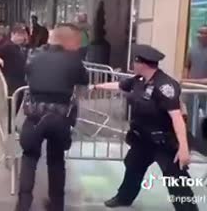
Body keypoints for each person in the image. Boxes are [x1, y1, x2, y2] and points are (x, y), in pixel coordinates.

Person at [93, 44, 198, 211]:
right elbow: (120, 85)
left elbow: (177, 117)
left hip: (164, 142)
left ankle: (188, 209)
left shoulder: (165, 86)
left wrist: (184, 148)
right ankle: (124, 197)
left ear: (142, 64)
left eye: (135, 62)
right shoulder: (139, 80)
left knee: (176, 178)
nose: (133, 66)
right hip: (143, 140)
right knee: (133, 166)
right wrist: (97, 86)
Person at [16, 23, 88, 211]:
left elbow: (28, 79)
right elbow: (81, 88)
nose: (79, 46)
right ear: (68, 41)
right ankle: (57, 205)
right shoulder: (74, 61)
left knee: (29, 158)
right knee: (56, 162)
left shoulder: (33, 56)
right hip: (60, 118)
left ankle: (23, 204)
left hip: (34, 118)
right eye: (77, 42)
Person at [0, 24, 29, 113]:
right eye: (19, 35)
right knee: (13, 104)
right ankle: (11, 123)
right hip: (12, 81)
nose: (21, 38)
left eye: (23, 36)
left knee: (17, 104)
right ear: (13, 34)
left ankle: (13, 122)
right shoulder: (7, 46)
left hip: (19, 80)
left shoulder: (19, 47)